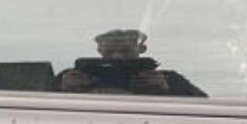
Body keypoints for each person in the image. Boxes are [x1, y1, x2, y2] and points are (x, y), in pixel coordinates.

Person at [55, 29, 206, 97]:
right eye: (110, 51)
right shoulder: (71, 76)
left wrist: (168, 90)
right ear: (99, 50)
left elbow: (204, 105)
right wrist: (63, 89)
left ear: (142, 49)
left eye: (125, 51)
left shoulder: (169, 79)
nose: (117, 57)